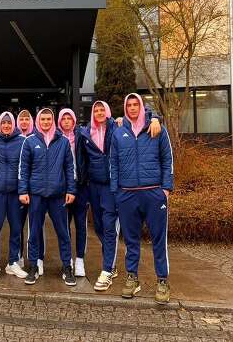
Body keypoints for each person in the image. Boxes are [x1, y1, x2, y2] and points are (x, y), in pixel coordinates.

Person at [79, 100, 162, 291]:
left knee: (109, 226)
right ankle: (111, 259)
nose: (99, 112)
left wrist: (155, 117)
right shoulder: (86, 132)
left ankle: (108, 269)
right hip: (94, 186)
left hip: (111, 186)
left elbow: (140, 111)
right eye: (96, 110)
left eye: (102, 109)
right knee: (99, 226)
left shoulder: (116, 126)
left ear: (108, 111)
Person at [110, 93, 173, 304]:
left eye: (135, 104)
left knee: (158, 240)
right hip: (127, 194)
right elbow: (113, 163)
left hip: (153, 193)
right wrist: (117, 191)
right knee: (130, 240)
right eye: (129, 105)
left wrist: (166, 189)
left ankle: (162, 280)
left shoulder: (157, 129)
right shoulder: (119, 133)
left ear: (141, 107)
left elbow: (167, 159)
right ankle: (132, 277)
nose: (132, 108)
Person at [18, 108, 76, 286]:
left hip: (58, 195)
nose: (45, 122)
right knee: (34, 232)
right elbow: (23, 168)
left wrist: (71, 190)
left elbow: (70, 168)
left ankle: (67, 267)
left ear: (53, 121)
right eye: (42, 119)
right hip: (36, 195)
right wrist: (23, 191)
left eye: (48, 119)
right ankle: (33, 266)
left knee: (63, 233)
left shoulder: (63, 142)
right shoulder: (30, 141)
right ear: (38, 121)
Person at [0, 112, 28, 281]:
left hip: (15, 193)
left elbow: (25, 167)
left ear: (13, 124)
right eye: (3, 123)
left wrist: (23, 189)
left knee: (16, 229)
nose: (6, 125)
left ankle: (13, 262)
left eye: (9, 123)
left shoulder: (22, 141)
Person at [57, 108, 87, 277]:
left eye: (69, 118)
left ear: (74, 120)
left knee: (81, 224)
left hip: (80, 186)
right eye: (64, 118)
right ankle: (67, 260)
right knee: (64, 225)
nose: (67, 121)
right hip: (62, 188)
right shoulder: (55, 137)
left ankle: (80, 259)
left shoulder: (82, 136)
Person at [16, 109, 46, 273]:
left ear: (32, 121)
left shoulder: (38, 137)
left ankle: (37, 258)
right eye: (21, 119)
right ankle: (19, 256)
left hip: (35, 190)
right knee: (18, 225)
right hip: (19, 190)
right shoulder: (13, 137)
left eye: (27, 119)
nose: (24, 122)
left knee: (36, 226)